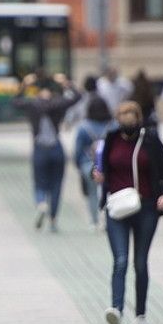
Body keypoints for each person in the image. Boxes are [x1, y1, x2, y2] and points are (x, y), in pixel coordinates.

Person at [94, 100, 163, 324]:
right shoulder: (110, 140)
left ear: (138, 119)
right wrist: (96, 174)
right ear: (117, 120)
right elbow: (100, 167)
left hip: (146, 207)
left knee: (140, 262)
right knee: (120, 260)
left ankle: (140, 314)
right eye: (122, 118)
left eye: (131, 117)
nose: (126, 123)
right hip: (117, 208)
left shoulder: (149, 140)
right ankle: (116, 309)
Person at [14, 72, 79, 232]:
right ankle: (53, 219)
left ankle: (41, 203)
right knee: (56, 184)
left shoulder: (33, 105)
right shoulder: (57, 103)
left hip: (40, 148)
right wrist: (65, 82)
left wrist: (24, 85)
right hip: (56, 148)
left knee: (39, 182)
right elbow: (77, 97)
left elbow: (15, 101)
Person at [73, 95, 113, 232]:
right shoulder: (112, 125)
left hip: (88, 164)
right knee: (108, 192)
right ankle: (108, 221)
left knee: (92, 193)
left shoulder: (84, 127)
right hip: (109, 165)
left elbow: (78, 150)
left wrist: (78, 164)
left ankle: (94, 222)